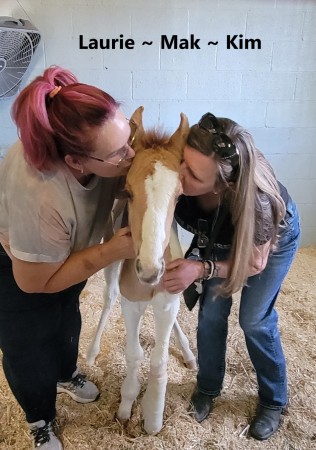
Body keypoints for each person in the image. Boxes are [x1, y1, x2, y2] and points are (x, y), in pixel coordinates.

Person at [0, 66, 136, 450]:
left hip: (69, 249)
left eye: (128, 139)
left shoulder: (98, 150)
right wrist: (110, 251)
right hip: (19, 267)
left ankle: (65, 372)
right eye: (119, 153)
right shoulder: (40, 194)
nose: (130, 155)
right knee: (27, 344)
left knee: (65, 317)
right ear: (76, 161)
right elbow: (34, 282)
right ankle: (38, 416)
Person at [162, 112, 300, 441]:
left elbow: (253, 264)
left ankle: (273, 400)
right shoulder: (184, 175)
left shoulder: (258, 203)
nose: (179, 175)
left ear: (223, 186)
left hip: (267, 243)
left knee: (254, 319)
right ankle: (208, 387)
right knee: (210, 314)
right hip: (218, 236)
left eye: (193, 175)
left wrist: (202, 268)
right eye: (183, 161)